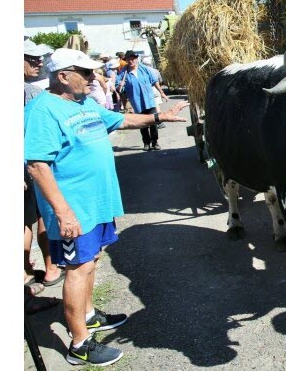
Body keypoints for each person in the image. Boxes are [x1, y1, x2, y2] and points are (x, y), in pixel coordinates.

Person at [25, 48, 189, 366]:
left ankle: (88, 315)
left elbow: (122, 119)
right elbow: (37, 166)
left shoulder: (83, 103)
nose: (92, 78)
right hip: (74, 210)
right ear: (62, 75)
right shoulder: (42, 111)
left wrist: (158, 117)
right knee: (79, 268)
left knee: (93, 259)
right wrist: (63, 212)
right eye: (85, 73)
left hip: (97, 204)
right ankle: (79, 343)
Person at [23, 39, 63, 315]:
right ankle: (25, 281)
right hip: (26, 168)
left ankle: (44, 269)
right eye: (31, 58)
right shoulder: (26, 92)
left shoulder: (30, 90)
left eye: (39, 58)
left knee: (38, 218)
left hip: (30, 166)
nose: (38, 63)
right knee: (26, 223)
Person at [116, 50, 168, 150]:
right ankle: (146, 143)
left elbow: (154, 81)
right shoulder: (124, 72)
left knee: (153, 122)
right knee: (142, 123)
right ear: (126, 60)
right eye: (129, 59)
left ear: (136, 59)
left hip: (149, 100)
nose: (131, 61)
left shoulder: (144, 69)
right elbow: (119, 88)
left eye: (133, 59)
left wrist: (162, 93)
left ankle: (155, 142)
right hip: (137, 102)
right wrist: (120, 85)